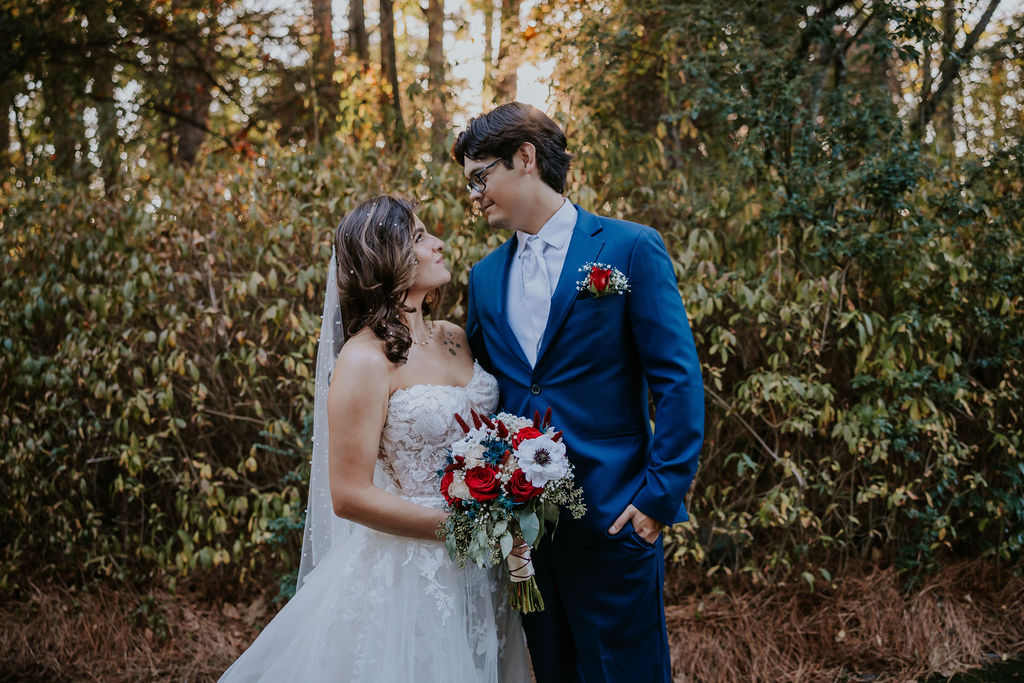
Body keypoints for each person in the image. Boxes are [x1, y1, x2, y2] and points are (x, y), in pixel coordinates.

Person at [220, 196, 530, 682]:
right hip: (413, 572)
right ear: (388, 257)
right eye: (421, 237)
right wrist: (457, 529)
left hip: (484, 565)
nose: (439, 244)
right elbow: (348, 495)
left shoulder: (455, 335)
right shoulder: (363, 360)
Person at [453, 102, 705, 683]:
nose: (474, 194)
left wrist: (657, 500)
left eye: (479, 176)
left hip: (616, 519)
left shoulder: (630, 248)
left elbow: (677, 379)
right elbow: (478, 389)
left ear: (525, 159)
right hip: (523, 536)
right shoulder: (484, 277)